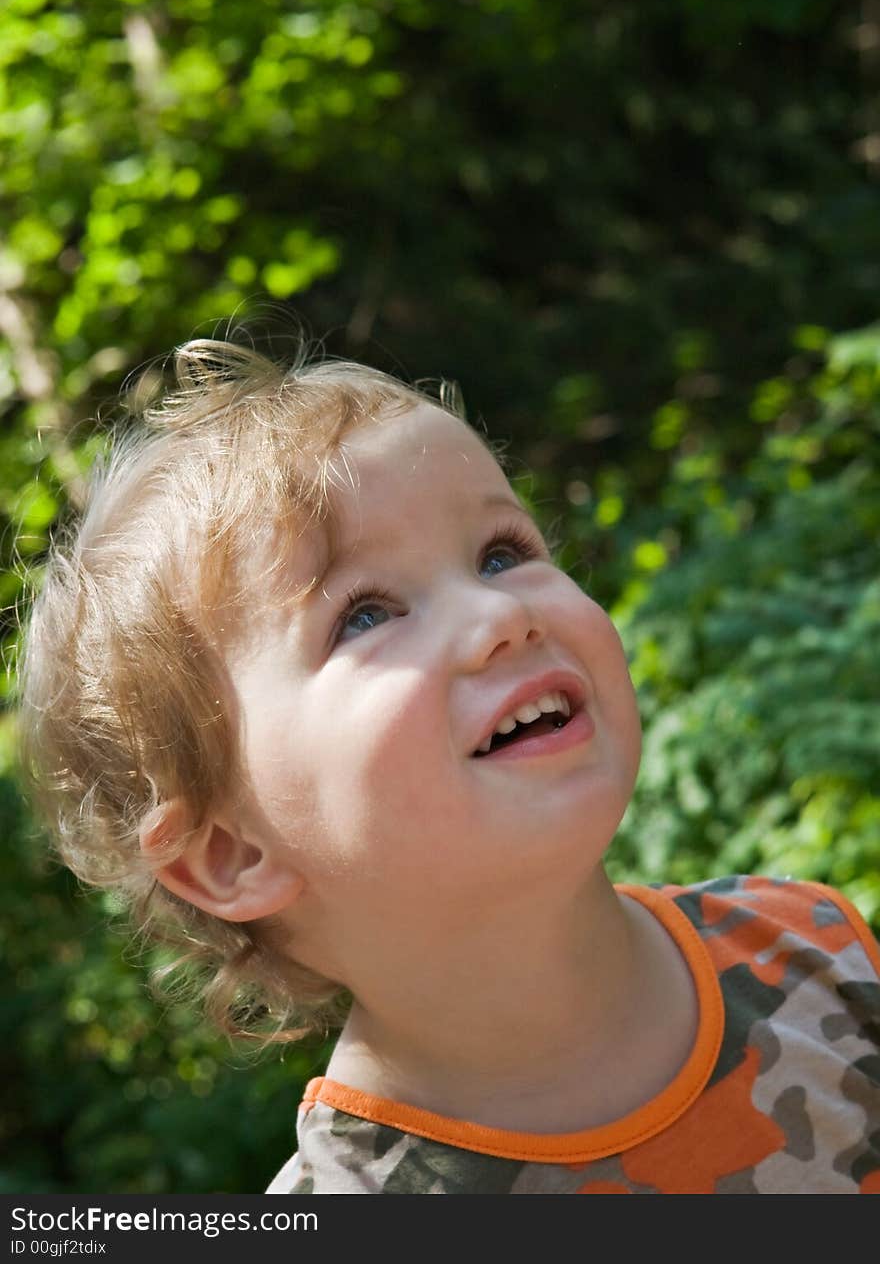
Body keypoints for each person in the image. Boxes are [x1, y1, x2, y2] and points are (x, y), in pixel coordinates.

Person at [17, 336, 880, 1195]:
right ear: (231, 855)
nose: (498, 613)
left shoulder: (816, 952)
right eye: (364, 614)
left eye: (501, 553)